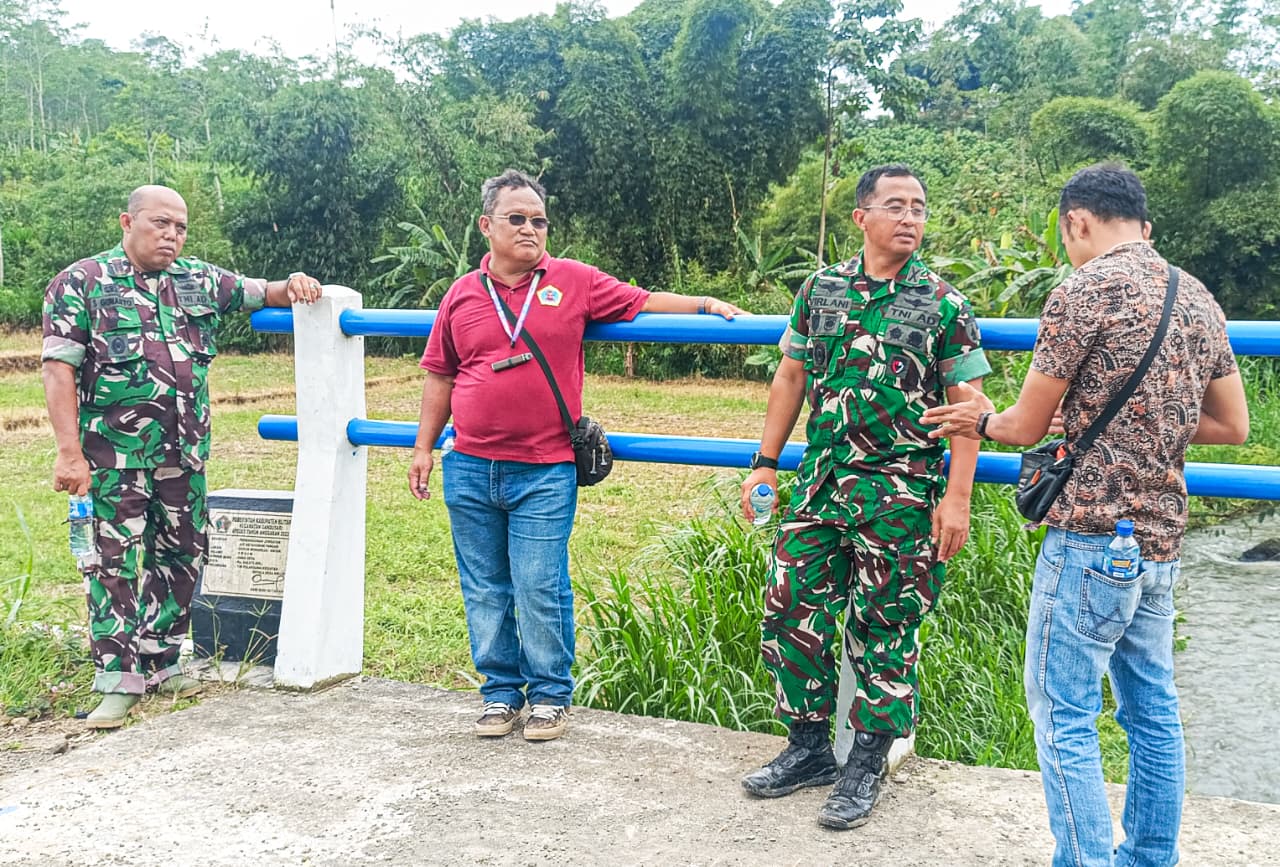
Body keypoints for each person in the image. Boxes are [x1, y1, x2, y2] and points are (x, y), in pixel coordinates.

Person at [921, 163, 1249, 866]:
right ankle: (1149, 857)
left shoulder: (1082, 291)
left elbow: (1026, 425)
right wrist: (1149, 425)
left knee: (1063, 709)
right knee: (1152, 712)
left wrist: (980, 418)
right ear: (1144, 223)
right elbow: (1232, 426)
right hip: (1160, 539)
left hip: (1089, 536)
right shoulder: (1198, 297)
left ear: (1077, 221)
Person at [408, 168, 745, 742]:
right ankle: (498, 695)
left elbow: (641, 302)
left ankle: (549, 697)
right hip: (468, 466)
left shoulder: (573, 280)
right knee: (485, 586)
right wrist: (423, 448)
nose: (531, 229)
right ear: (486, 226)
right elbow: (441, 373)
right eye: (517, 219)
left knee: (539, 583)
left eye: (539, 220)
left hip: (544, 468)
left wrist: (706, 303)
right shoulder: (462, 293)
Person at [738, 164, 991, 829]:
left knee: (886, 628)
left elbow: (967, 408)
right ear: (862, 217)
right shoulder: (820, 289)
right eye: (896, 205)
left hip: (900, 495)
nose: (910, 218)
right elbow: (791, 373)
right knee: (791, 608)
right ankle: (809, 746)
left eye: (920, 208)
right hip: (820, 486)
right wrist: (765, 463)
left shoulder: (942, 302)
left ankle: (866, 761)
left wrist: (957, 498)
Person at [41, 185, 323, 729]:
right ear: (128, 221)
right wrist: (68, 452)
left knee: (184, 555)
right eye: (159, 223)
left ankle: (162, 661)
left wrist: (295, 285)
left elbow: (259, 291)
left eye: (180, 227)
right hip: (111, 458)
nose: (171, 235)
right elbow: (58, 369)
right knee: (111, 565)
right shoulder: (81, 283)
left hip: (183, 455)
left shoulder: (198, 280)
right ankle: (117, 680)